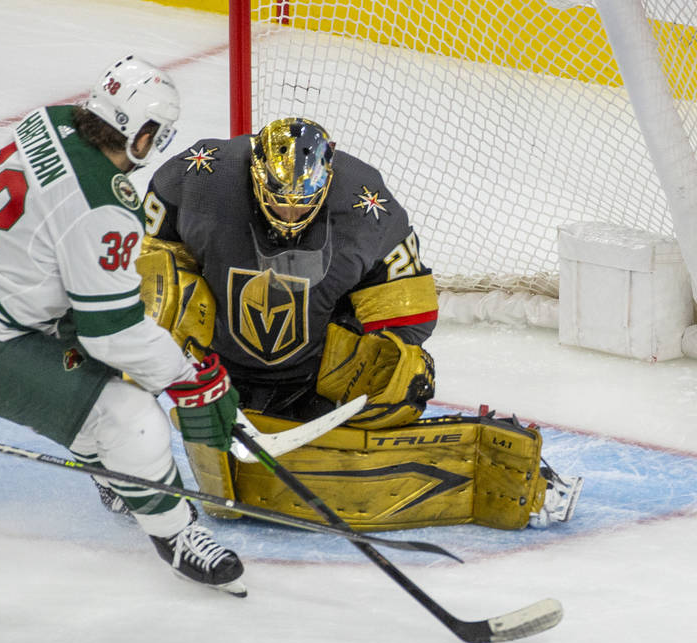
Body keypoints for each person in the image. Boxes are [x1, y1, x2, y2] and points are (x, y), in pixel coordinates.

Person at [135, 117, 582, 531]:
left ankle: (495, 469)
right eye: (279, 202)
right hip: (211, 369)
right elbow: (138, 267)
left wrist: (348, 343)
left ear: (327, 182)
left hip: (310, 379)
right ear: (255, 175)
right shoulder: (195, 180)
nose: (290, 216)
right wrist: (187, 355)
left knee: (402, 373)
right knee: (143, 306)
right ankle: (121, 452)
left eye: (302, 204)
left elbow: (412, 312)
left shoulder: (368, 205)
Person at [0, 55, 247, 596]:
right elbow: (111, 332)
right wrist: (188, 377)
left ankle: (111, 468)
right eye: (156, 134)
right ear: (138, 136)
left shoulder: (50, 121)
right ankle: (177, 534)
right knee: (133, 418)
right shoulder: (103, 208)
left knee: (106, 362)